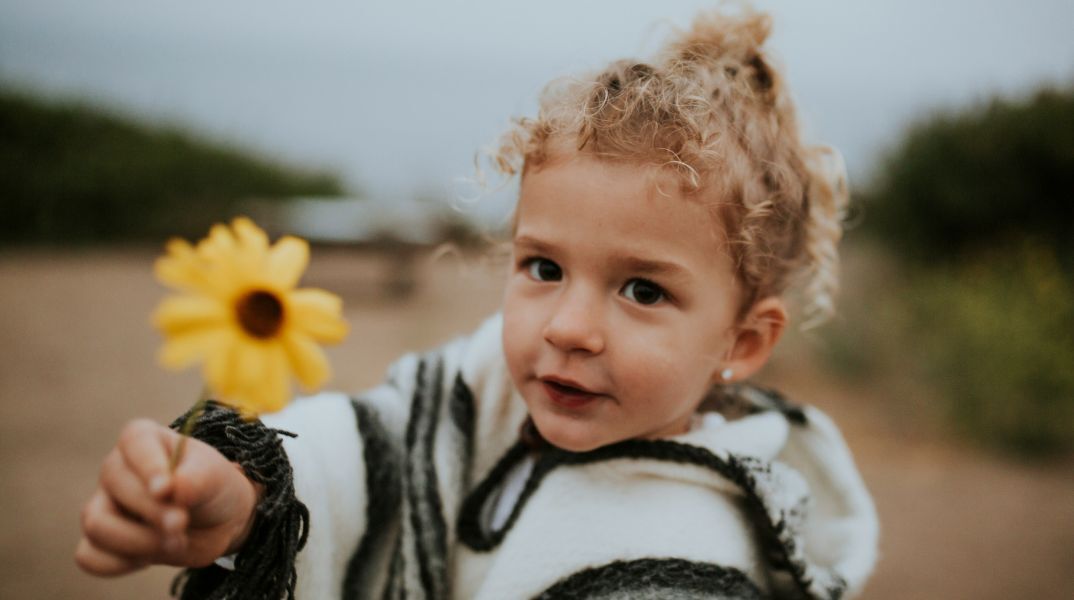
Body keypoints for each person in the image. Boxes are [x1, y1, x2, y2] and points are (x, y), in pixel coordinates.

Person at [75, 7, 878, 599]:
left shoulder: (689, 560)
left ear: (741, 343)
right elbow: (371, 447)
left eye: (643, 289)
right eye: (543, 267)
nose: (568, 328)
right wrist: (246, 501)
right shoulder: (483, 385)